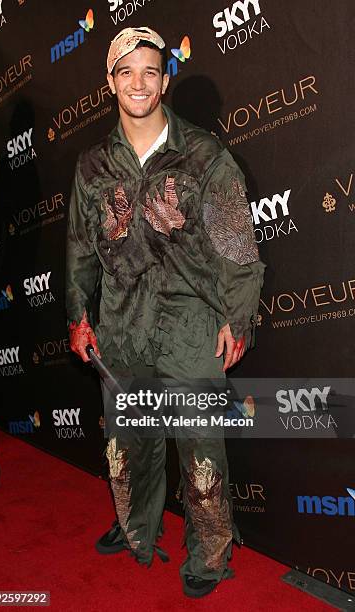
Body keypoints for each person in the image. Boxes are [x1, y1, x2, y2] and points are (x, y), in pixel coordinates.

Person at [66, 26, 265, 598]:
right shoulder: (92, 165)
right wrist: (78, 313)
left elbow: (237, 249)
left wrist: (239, 315)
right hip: (122, 326)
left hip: (192, 324)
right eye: (125, 72)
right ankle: (137, 529)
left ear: (165, 79)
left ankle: (209, 554)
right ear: (109, 82)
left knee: (201, 450)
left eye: (150, 71)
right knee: (129, 442)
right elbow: (80, 248)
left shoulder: (203, 154)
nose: (138, 83)